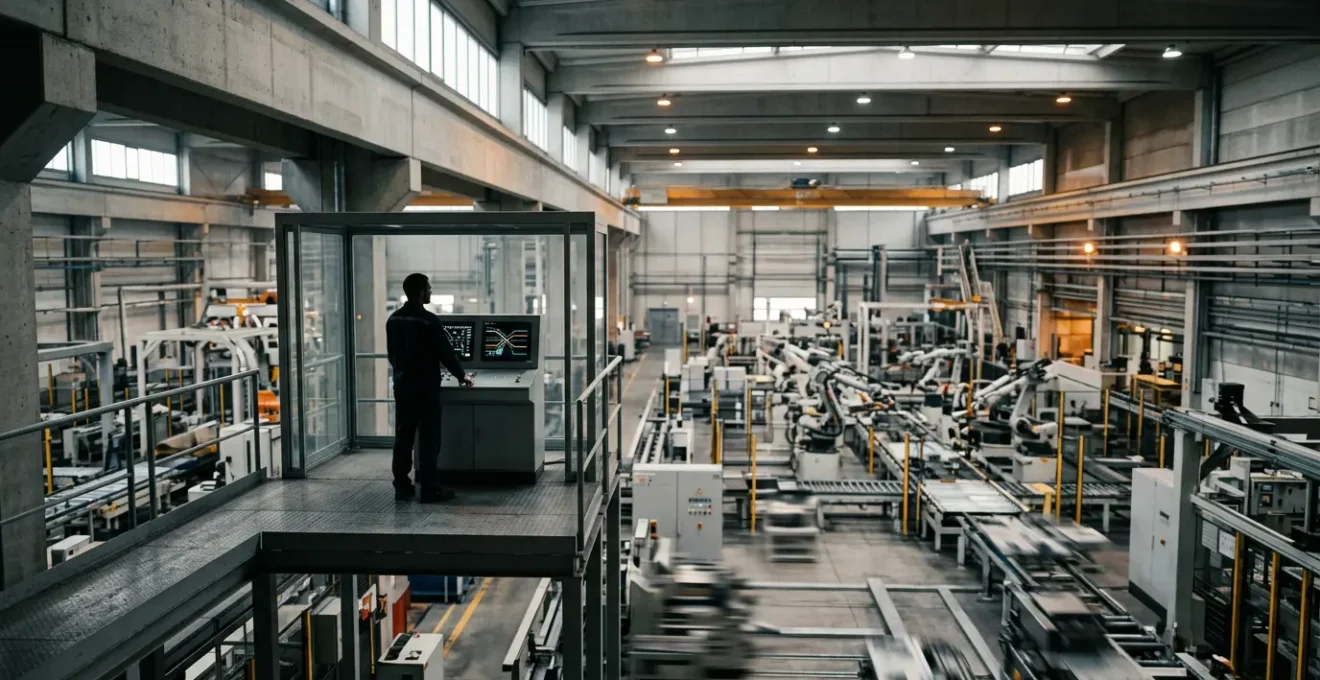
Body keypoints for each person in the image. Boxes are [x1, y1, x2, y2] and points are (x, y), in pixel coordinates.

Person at [387, 273, 474, 502]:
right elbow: (445, 353)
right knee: (429, 439)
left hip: (402, 386)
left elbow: (392, 355)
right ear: (420, 292)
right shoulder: (429, 321)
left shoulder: (393, 319)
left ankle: (402, 487)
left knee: (403, 437)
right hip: (425, 388)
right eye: (428, 288)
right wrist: (462, 375)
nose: (430, 291)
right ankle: (429, 488)